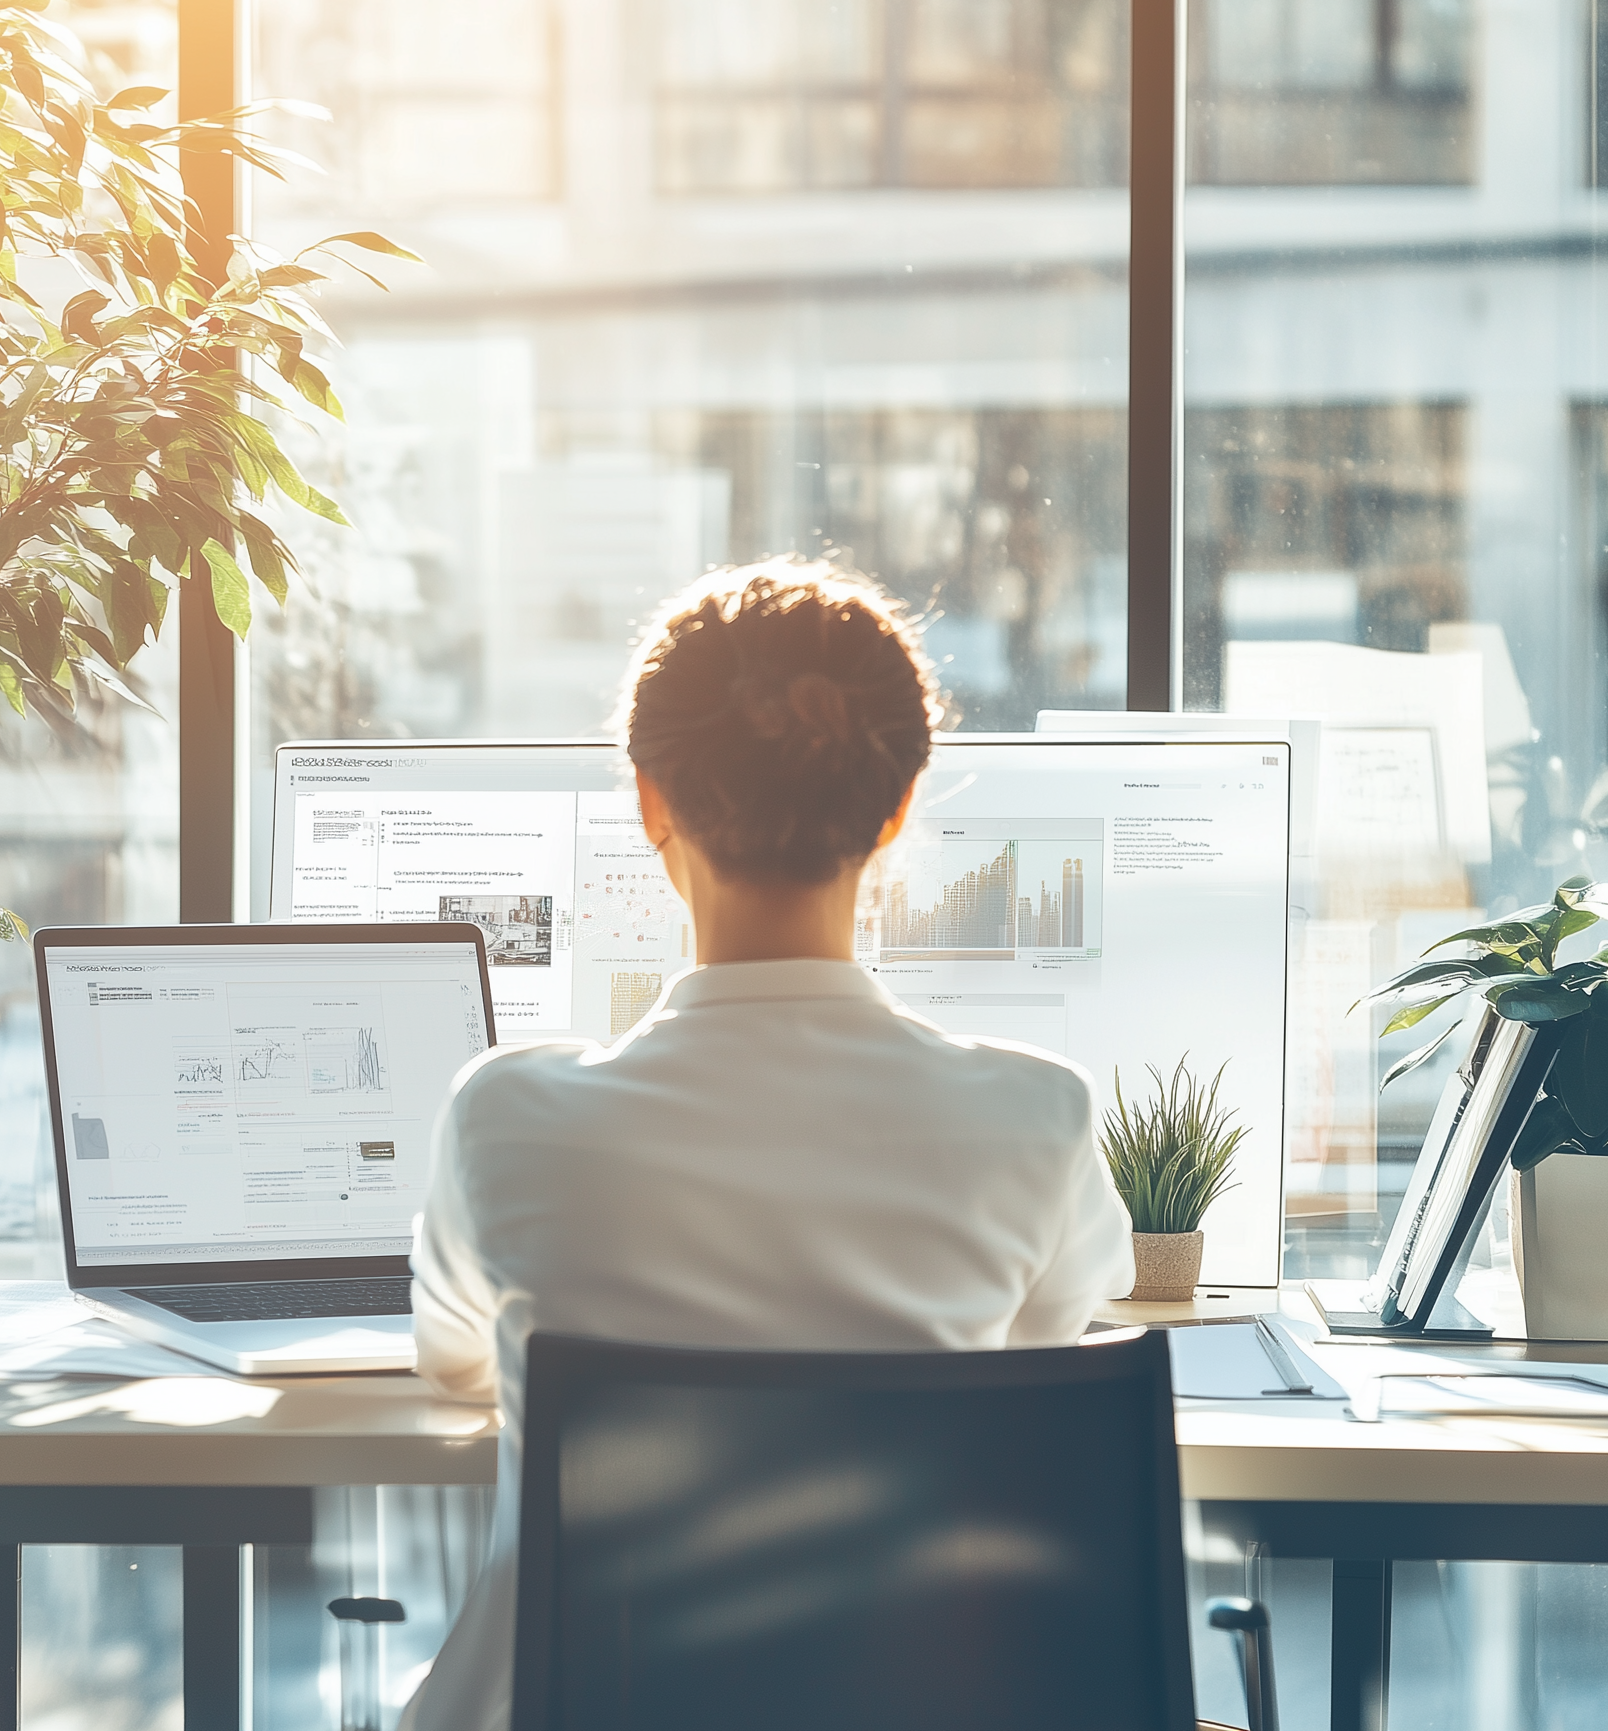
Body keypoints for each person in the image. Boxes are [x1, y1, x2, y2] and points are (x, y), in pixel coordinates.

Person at [398, 560, 1135, 1731]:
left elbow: (453, 1365)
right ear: (897, 808)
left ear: (650, 802)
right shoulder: (1033, 1118)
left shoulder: (505, 1115)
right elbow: (1032, 1356)